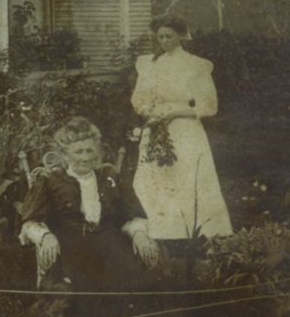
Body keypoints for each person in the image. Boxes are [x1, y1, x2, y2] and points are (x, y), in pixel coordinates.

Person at [19, 117, 159, 295]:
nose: (85, 158)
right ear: (65, 154)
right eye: (78, 151)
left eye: (89, 151)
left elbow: (129, 215)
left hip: (109, 242)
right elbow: (30, 222)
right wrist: (45, 236)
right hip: (71, 245)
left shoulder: (109, 178)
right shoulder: (50, 181)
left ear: (96, 153)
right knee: (79, 286)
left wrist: (139, 233)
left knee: (133, 280)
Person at [131, 15, 232, 241]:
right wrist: (151, 114)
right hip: (156, 125)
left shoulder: (195, 65)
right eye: (160, 37)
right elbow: (140, 99)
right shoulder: (149, 64)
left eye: (169, 36)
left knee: (186, 175)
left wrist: (175, 113)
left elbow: (209, 106)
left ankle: (196, 232)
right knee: (155, 176)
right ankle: (161, 231)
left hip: (185, 127)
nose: (164, 41)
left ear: (181, 36)